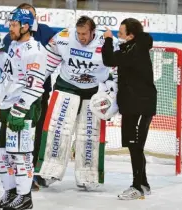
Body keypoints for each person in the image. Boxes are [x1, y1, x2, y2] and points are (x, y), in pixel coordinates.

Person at [35, 15, 119, 191]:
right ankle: (48, 172)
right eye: (79, 33)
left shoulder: (109, 42)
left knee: (89, 133)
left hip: (94, 93)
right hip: (67, 87)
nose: (81, 37)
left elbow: (119, 71)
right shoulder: (63, 38)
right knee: (57, 130)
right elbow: (46, 65)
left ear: (93, 32)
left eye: (85, 34)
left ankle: (88, 176)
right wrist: (34, 87)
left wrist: (116, 97)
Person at [0, 8, 46, 209]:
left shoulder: (35, 51)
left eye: (14, 25)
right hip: (6, 104)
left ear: (26, 26)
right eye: (10, 25)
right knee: (0, 151)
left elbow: (36, 86)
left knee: (20, 154)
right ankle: (10, 192)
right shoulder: (15, 45)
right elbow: (8, 69)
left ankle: (25, 196)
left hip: (24, 108)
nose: (10, 29)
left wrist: (19, 111)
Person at [102, 18, 157, 200]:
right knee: (134, 146)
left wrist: (108, 39)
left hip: (141, 106)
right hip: (130, 106)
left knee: (136, 146)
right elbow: (111, 60)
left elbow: (109, 58)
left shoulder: (138, 48)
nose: (119, 33)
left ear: (131, 34)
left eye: (121, 31)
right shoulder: (127, 49)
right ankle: (143, 183)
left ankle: (137, 187)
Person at [3, 3, 56, 190]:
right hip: (15, 97)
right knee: (14, 143)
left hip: (38, 94)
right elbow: (7, 65)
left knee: (37, 136)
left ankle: (33, 174)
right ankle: (19, 180)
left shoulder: (45, 34)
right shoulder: (13, 36)